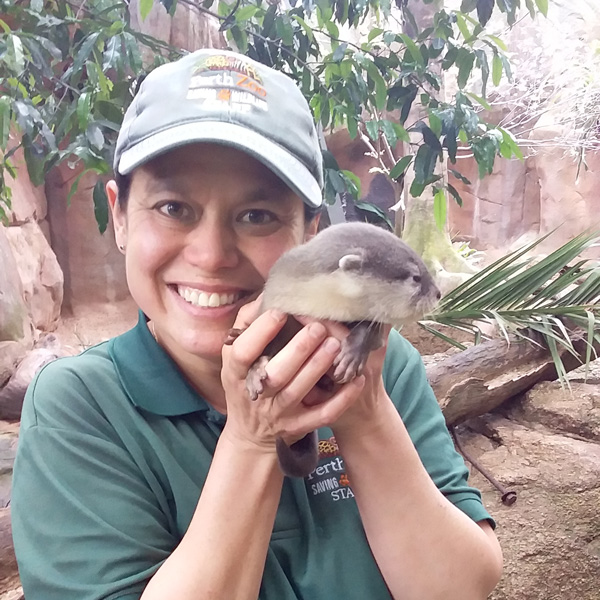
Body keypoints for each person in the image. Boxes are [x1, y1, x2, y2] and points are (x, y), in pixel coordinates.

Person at [11, 48, 502, 600]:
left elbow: (460, 589)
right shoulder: (82, 407)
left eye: (257, 216)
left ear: (308, 232)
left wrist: (363, 415)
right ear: (119, 215)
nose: (212, 254)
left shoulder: (382, 368)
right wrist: (252, 439)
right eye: (173, 207)